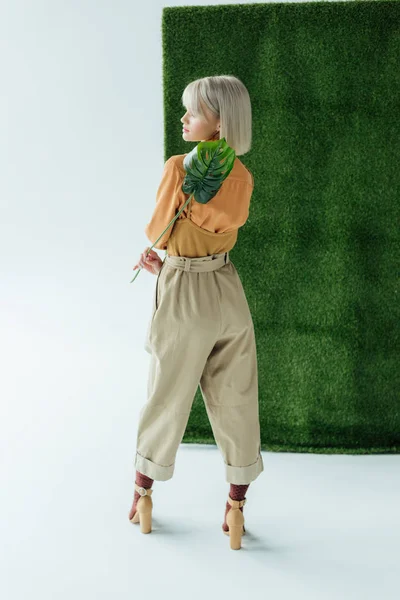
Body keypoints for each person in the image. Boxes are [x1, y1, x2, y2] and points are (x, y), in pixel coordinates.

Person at [129, 75, 264, 549]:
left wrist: (158, 258)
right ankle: (236, 508)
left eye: (193, 112)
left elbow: (160, 233)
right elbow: (220, 226)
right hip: (228, 288)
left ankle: (143, 495)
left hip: (184, 286)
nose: (183, 118)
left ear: (219, 123)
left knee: (166, 393)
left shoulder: (178, 168)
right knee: (237, 397)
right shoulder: (243, 177)